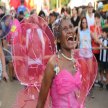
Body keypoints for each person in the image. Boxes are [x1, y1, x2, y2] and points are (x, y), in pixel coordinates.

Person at [36, 16, 97, 108]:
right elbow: (41, 102)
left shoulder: (76, 62)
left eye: (71, 27)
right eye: (65, 29)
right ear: (59, 39)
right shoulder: (53, 63)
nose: (70, 31)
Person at [99, 25, 108, 90]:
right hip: (101, 59)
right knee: (101, 70)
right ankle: (101, 82)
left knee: (107, 71)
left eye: (103, 32)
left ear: (106, 33)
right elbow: (97, 38)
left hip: (107, 59)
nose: (102, 33)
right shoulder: (101, 39)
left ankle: (107, 83)